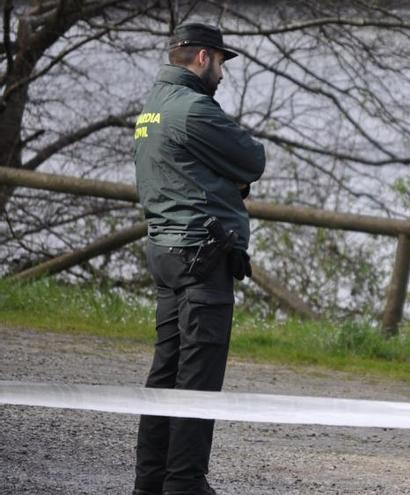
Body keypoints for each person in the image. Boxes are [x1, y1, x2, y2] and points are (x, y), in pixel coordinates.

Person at [132, 22, 265, 495]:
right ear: (203, 57)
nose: (223, 74)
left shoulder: (153, 108)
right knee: (198, 375)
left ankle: (150, 481)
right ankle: (185, 483)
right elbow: (252, 159)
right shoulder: (193, 109)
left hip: (166, 251)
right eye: (222, 63)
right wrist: (232, 180)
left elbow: (181, 171)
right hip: (201, 256)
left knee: (166, 369)